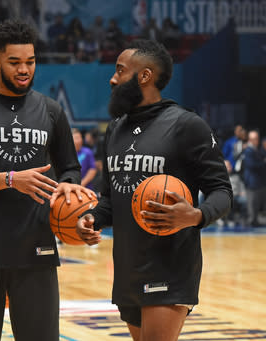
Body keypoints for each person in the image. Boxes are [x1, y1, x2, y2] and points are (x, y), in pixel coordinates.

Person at [0, 19, 92, 341]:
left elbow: (70, 167)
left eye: (31, 61)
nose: (24, 69)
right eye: (15, 62)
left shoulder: (50, 110)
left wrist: (68, 184)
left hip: (35, 246)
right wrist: (8, 179)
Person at [76, 39, 232, 341]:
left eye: (120, 71)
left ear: (144, 76)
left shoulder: (187, 125)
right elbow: (111, 197)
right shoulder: (116, 129)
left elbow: (222, 191)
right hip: (126, 266)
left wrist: (196, 215)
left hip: (170, 266)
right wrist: (93, 218)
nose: (112, 79)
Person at [242, 129, 266, 227]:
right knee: (252, 205)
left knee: (256, 205)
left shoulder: (257, 149)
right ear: (250, 140)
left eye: (257, 138)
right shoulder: (248, 150)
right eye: (255, 139)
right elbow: (251, 165)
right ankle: (251, 222)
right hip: (252, 182)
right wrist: (263, 162)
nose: (257, 140)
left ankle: (254, 221)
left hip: (258, 182)